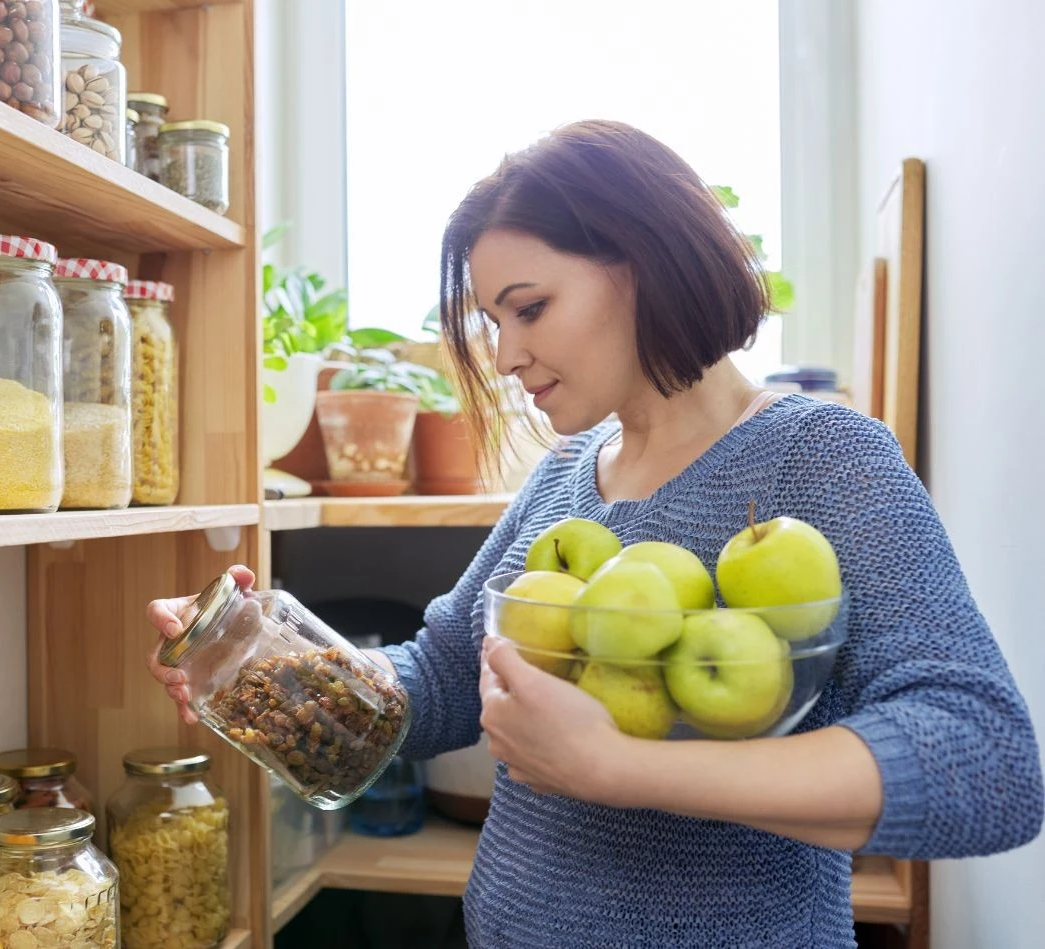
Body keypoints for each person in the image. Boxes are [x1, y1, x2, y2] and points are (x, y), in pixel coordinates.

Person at [146, 120, 1043, 947]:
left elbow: (988, 762)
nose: (502, 355)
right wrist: (270, 663)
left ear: (642, 261)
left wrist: (619, 766)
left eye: (529, 308)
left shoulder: (824, 458)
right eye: (493, 322)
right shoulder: (565, 477)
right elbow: (445, 678)